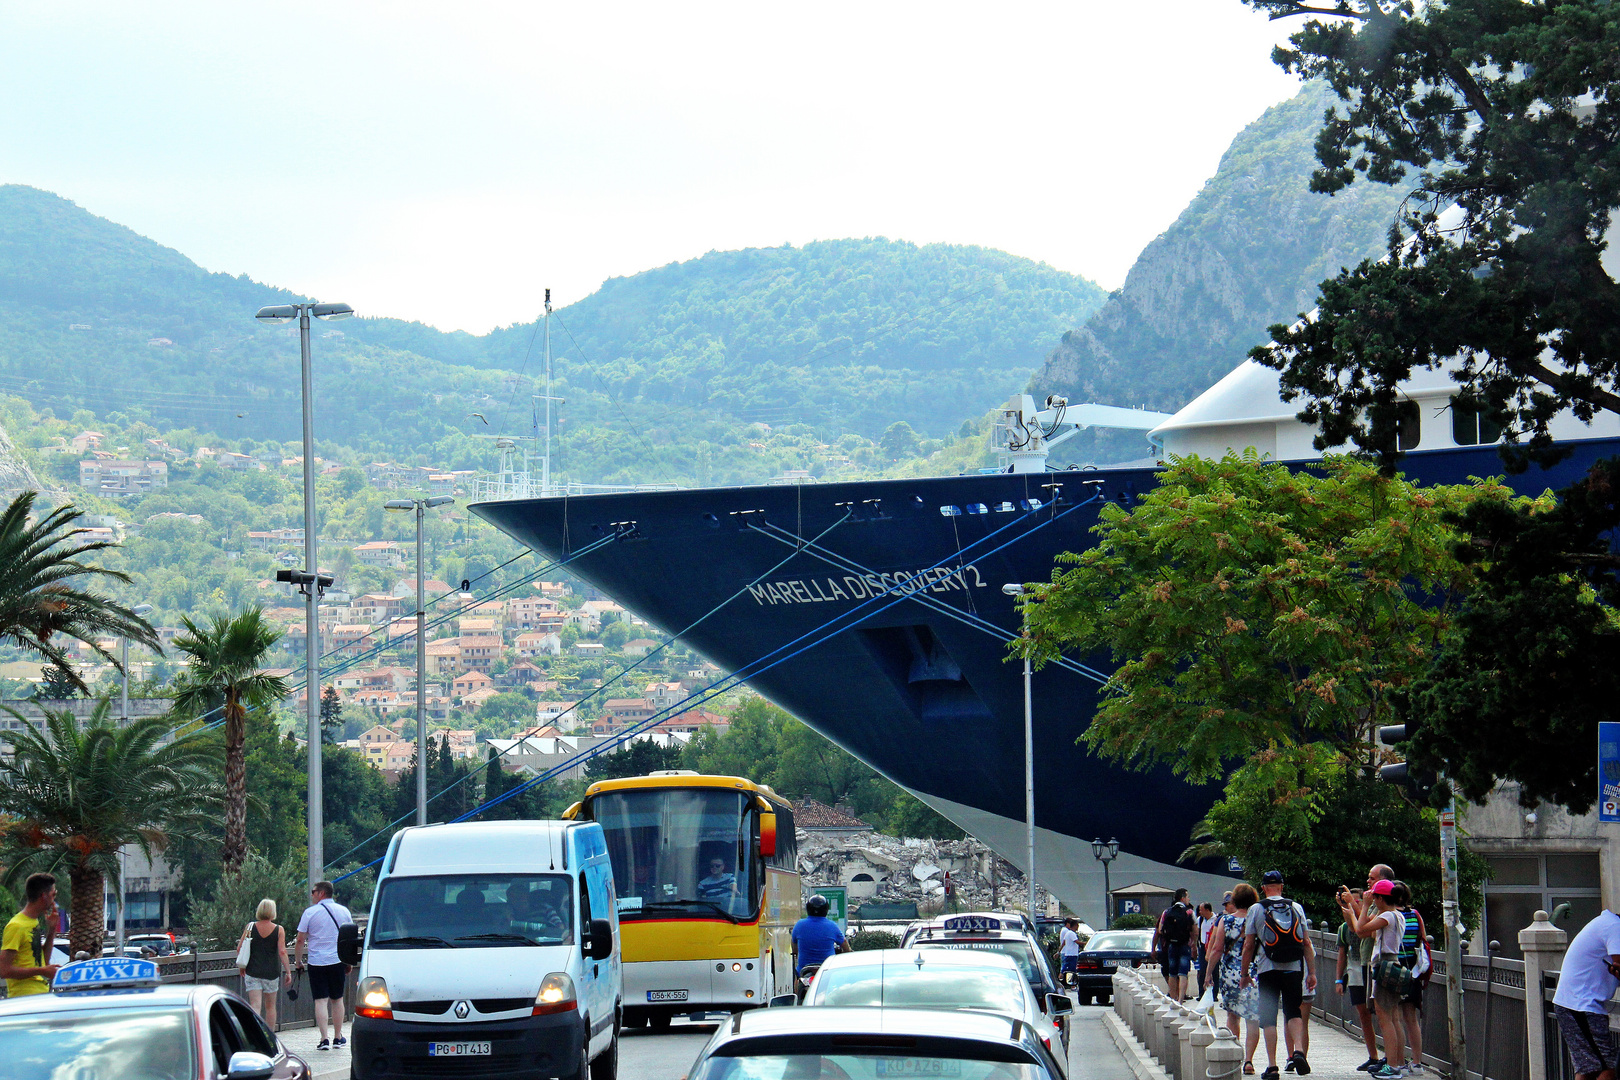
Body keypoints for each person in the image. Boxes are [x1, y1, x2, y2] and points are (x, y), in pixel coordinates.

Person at [1240, 870, 1316, 1079]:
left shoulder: (1256, 909)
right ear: (1282, 886)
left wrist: (1245, 973)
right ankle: (1298, 1051)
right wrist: (1312, 972)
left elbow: (1248, 945)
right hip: (1294, 967)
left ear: (1263, 888)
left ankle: (1272, 1066)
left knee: (1269, 1019)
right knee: (1293, 1012)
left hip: (1267, 969)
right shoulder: (1296, 907)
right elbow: (1306, 942)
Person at [1340, 878, 1408, 1080]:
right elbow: (1366, 929)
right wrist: (1355, 911)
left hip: (1384, 965)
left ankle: (1392, 1066)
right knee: (1394, 1017)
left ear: (1380, 898)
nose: (1372, 901)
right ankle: (1398, 1063)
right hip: (1392, 964)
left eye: (1374, 897)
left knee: (1385, 1016)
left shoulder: (1387, 915)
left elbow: (1361, 931)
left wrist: (1364, 906)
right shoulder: (1396, 915)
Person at [1552, 908, 1620, 1080]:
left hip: (1571, 1002)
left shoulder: (1604, 922)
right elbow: (1618, 963)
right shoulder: (1614, 926)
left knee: (1589, 1068)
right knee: (1607, 1068)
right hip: (1582, 1005)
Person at [296, 880, 355, 1052]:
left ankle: (324, 1039)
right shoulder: (344, 911)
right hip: (337, 961)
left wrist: (299, 962)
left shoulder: (310, 913)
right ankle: (338, 1036)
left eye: (313, 891)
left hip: (316, 962)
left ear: (321, 893)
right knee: (337, 999)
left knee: (320, 1000)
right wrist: (349, 960)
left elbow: (300, 940)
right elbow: (350, 937)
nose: (312, 894)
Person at [1207, 885, 1260, 1061]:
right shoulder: (1259, 919)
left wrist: (1208, 974)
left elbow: (1216, 949)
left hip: (1230, 974)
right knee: (1252, 1019)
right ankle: (1249, 1061)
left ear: (1235, 900)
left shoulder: (1226, 921)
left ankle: (1235, 1054)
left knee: (1232, 1015)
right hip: (1254, 973)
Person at [1334, 888, 1384, 1072]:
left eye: (1357, 901)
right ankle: (1372, 1055)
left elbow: (1360, 928)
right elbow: (1342, 953)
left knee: (1381, 1014)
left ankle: (1388, 1054)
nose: (1353, 904)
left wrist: (1352, 906)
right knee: (1363, 1016)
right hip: (1355, 971)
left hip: (1371, 968)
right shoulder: (1344, 928)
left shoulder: (1371, 919)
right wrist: (1339, 980)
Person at [0, 872, 60, 998]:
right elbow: (4, 970)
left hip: (39, 994)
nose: (54, 900)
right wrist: (41, 971)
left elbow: (43, 960)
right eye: (53, 895)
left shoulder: (34, 922)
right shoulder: (16, 926)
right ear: (44, 896)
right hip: (23, 999)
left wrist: (52, 929)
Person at [1391, 882, 1430, 1074]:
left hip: (1394, 969)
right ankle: (1417, 1062)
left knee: (1395, 1018)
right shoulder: (1415, 915)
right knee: (1411, 1019)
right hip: (1413, 970)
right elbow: (1423, 939)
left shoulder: (1389, 915)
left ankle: (1399, 1062)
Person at [237, 898, 291, 1029]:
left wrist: (242, 966)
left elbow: (240, 948)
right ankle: (270, 1037)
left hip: (252, 971)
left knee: (255, 1005)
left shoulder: (250, 927)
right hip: (271, 973)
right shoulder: (279, 929)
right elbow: (282, 951)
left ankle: (255, 1035)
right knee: (270, 1007)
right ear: (273, 912)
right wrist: (288, 971)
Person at [791, 894, 848, 996]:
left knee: (797, 979)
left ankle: (796, 997)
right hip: (826, 968)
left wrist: (796, 953)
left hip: (804, 969)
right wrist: (849, 952)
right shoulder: (832, 926)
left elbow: (794, 945)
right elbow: (844, 944)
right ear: (826, 910)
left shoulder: (799, 925)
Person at [1154, 887, 1196, 1001]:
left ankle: (1173, 998)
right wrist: (1193, 945)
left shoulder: (1167, 912)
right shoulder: (1189, 912)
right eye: (1187, 897)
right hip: (1185, 945)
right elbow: (1195, 930)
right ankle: (1181, 999)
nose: (1188, 899)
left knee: (1172, 973)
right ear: (1183, 898)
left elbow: (1160, 930)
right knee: (1183, 973)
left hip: (1171, 946)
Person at [1195, 902, 1218, 998]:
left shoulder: (1216, 919)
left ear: (1207, 910)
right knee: (1202, 970)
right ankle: (1201, 993)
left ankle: (1214, 994)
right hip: (1203, 946)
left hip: (1213, 947)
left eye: (1201, 910)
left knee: (1215, 971)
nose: (1200, 912)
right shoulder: (1200, 920)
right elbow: (1197, 933)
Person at [1058, 918, 1082, 988]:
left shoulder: (1067, 933)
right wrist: (1086, 943)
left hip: (1068, 954)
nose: (1078, 927)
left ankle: (1060, 982)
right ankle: (1073, 985)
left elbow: (1063, 943)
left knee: (1064, 969)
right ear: (1074, 926)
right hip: (1072, 954)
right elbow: (1077, 942)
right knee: (1072, 970)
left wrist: (1058, 952)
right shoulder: (1072, 933)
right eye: (1077, 925)